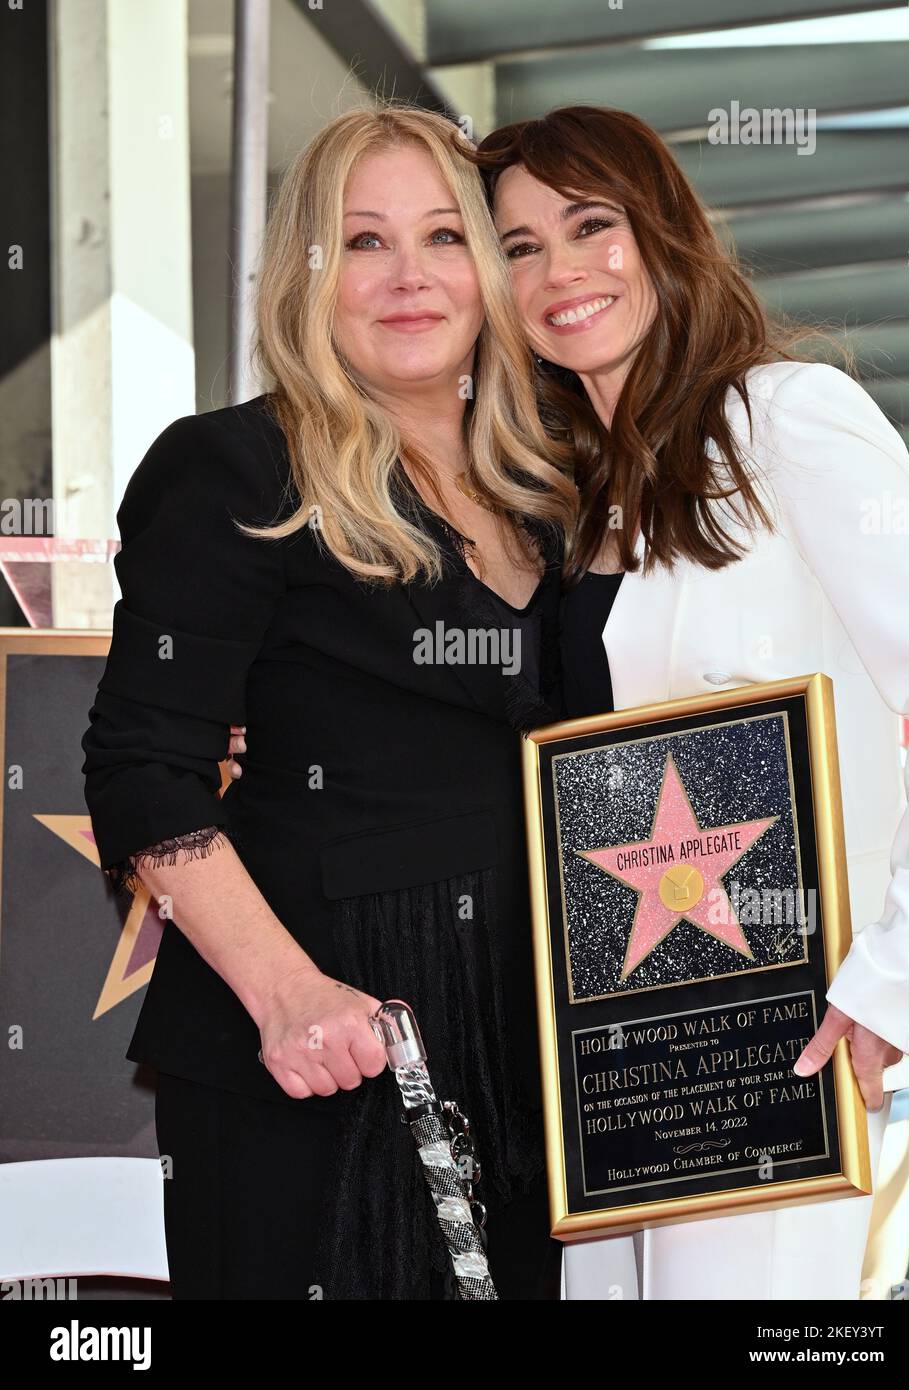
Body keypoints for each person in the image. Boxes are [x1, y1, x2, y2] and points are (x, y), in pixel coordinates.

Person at [81, 105, 578, 1301]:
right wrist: (288, 993)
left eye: (443, 237)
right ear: (309, 271)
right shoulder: (236, 468)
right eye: (363, 242)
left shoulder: (565, 481)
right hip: (318, 1051)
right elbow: (140, 764)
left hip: (539, 1056)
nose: (409, 276)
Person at [469, 104, 909, 1299]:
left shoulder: (785, 421)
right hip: (613, 1064)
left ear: (664, 231)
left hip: (774, 1047)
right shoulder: (576, 496)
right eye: (518, 246)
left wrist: (890, 982)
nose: (559, 271)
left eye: (589, 225)